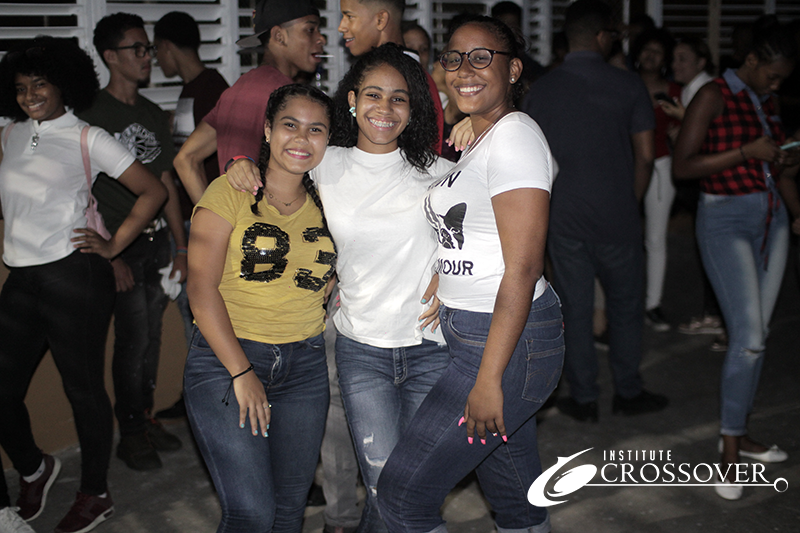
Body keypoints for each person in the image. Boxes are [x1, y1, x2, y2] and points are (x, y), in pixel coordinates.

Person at [224, 43, 454, 533]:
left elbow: (494, 235)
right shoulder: (326, 162)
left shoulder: (440, 173)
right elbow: (276, 157)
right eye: (373, 95)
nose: (384, 108)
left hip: (430, 349)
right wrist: (238, 162)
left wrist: (450, 272)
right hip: (361, 349)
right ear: (351, 100)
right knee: (385, 485)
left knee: (410, 489)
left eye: (398, 98)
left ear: (413, 108)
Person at [376, 15, 561, 533]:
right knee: (515, 500)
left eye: (482, 58)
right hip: (479, 333)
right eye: (454, 58)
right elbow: (476, 231)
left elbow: (524, 266)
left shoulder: (515, 137)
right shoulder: (485, 137)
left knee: (401, 497)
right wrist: (448, 272)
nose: (464, 69)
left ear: (513, 69)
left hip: (503, 344)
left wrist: (489, 379)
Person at [0, 37, 166, 533]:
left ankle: (95, 494)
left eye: (40, 84)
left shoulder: (86, 137)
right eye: (21, 87)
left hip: (74, 277)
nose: (30, 95)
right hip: (21, 277)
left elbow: (153, 190)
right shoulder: (9, 135)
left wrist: (113, 247)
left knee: (84, 391)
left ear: (63, 85)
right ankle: (35, 467)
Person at [185, 84, 335, 533]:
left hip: (305, 366)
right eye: (290, 125)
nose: (302, 139)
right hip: (228, 357)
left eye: (316, 129)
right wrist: (241, 372)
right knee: (251, 513)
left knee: (289, 511)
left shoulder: (332, 202)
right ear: (267, 130)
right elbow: (200, 288)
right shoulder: (229, 191)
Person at [672, 16, 799, 501]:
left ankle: (740, 433)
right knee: (748, 338)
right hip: (724, 220)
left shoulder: (764, 100)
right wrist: (747, 151)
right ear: (751, 60)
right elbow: (684, 165)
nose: (777, 85)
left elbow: (773, 168)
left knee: (756, 338)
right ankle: (728, 450)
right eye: (773, 75)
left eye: (783, 79)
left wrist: (784, 165)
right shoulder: (713, 95)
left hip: (772, 218)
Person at [522, 0, 666, 423]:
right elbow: (646, 156)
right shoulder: (629, 85)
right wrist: (630, 202)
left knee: (575, 310)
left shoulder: (542, 90)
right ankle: (628, 391)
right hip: (618, 215)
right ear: (602, 36)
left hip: (564, 218)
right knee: (625, 308)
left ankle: (584, 397)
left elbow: (530, 159)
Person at [77, 12, 186, 471]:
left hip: (157, 243)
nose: (147, 57)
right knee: (132, 340)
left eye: (148, 49)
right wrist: (110, 254)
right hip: (120, 247)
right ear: (110, 56)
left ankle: (144, 417)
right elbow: (79, 194)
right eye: (137, 49)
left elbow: (165, 183)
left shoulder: (150, 114)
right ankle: (131, 432)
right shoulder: (90, 116)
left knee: (152, 337)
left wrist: (181, 246)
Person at [153, 10, 230, 419]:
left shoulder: (212, 88)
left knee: (203, 311)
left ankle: (211, 395)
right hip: (187, 220)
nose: (156, 60)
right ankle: (199, 395)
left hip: (204, 220)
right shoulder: (192, 90)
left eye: (156, 50)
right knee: (192, 311)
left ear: (167, 46)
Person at [175, 0, 325, 204]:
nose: (321, 38)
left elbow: (185, 158)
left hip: (238, 220)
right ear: (279, 36)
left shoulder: (239, 87)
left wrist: (209, 215)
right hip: (267, 220)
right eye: (310, 30)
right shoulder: (283, 94)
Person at [660, 37, 726, 338]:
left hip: (713, 184)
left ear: (702, 61)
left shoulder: (708, 90)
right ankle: (716, 315)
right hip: (697, 182)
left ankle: (719, 317)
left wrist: (684, 121)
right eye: (674, 58)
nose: (675, 65)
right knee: (707, 250)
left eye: (683, 58)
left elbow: (718, 138)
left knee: (715, 251)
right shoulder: (688, 89)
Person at [337, 0, 444, 153]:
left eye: (350, 16)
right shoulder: (364, 71)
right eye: (374, 95)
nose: (341, 27)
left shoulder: (417, 81)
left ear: (380, 20)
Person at [631, 28, 681, 332]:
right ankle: (622, 302)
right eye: (646, 50)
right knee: (624, 237)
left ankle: (653, 304)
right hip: (625, 166)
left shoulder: (674, 91)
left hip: (661, 166)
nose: (650, 56)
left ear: (665, 58)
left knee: (655, 238)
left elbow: (685, 131)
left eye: (657, 52)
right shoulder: (625, 84)